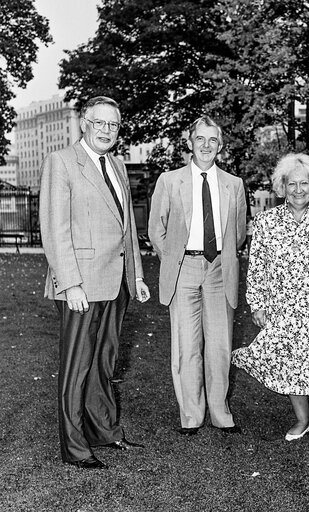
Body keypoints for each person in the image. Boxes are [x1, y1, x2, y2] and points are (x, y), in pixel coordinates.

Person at [39, 96, 151, 469]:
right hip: (81, 285)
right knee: (77, 366)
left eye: (113, 125)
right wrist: (69, 283)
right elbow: (55, 229)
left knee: (105, 362)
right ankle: (73, 446)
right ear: (84, 124)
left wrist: (135, 274)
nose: (106, 130)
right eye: (99, 123)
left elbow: (127, 228)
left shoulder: (117, 164)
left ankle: (103, 430)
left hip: (115, 283)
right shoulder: (62, 162)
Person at [232, 153, 309, 446]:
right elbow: (257, 264)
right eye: (291, 184)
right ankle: (302, 419)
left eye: (304, 183)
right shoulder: (266, 221)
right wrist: (257, 303)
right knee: (290, 362)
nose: (298, 190)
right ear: (281, 186)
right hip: (282, 306)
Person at [148, 115, 247, 436]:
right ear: (189, 143)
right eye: (200, 139)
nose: (206, 146)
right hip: (184, 270)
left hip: (220, 269)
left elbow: (239, 234)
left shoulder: (234, 184)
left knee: (219, 344)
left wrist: (220, 257)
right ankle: (191, 414)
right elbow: (155, 230)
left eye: (213, 140)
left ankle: (220, 412)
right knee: (186, 345)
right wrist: (175, 258)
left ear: (221, 146)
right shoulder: (169, 180)